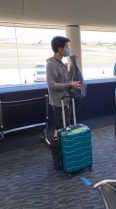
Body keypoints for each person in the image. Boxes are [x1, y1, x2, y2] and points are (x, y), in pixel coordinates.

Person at [47, 36, 81, 169]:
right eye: (66, 47)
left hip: (66, 101)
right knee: (60, 130)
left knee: (66, 129)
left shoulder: (62, 63)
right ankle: (57, 159)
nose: (68, 49)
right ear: (60, 49)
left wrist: (73, 63)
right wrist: (69, 85)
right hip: (58, 103)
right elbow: (52, 85)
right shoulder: (51, 64)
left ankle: (66, 155)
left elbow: (67, 79)